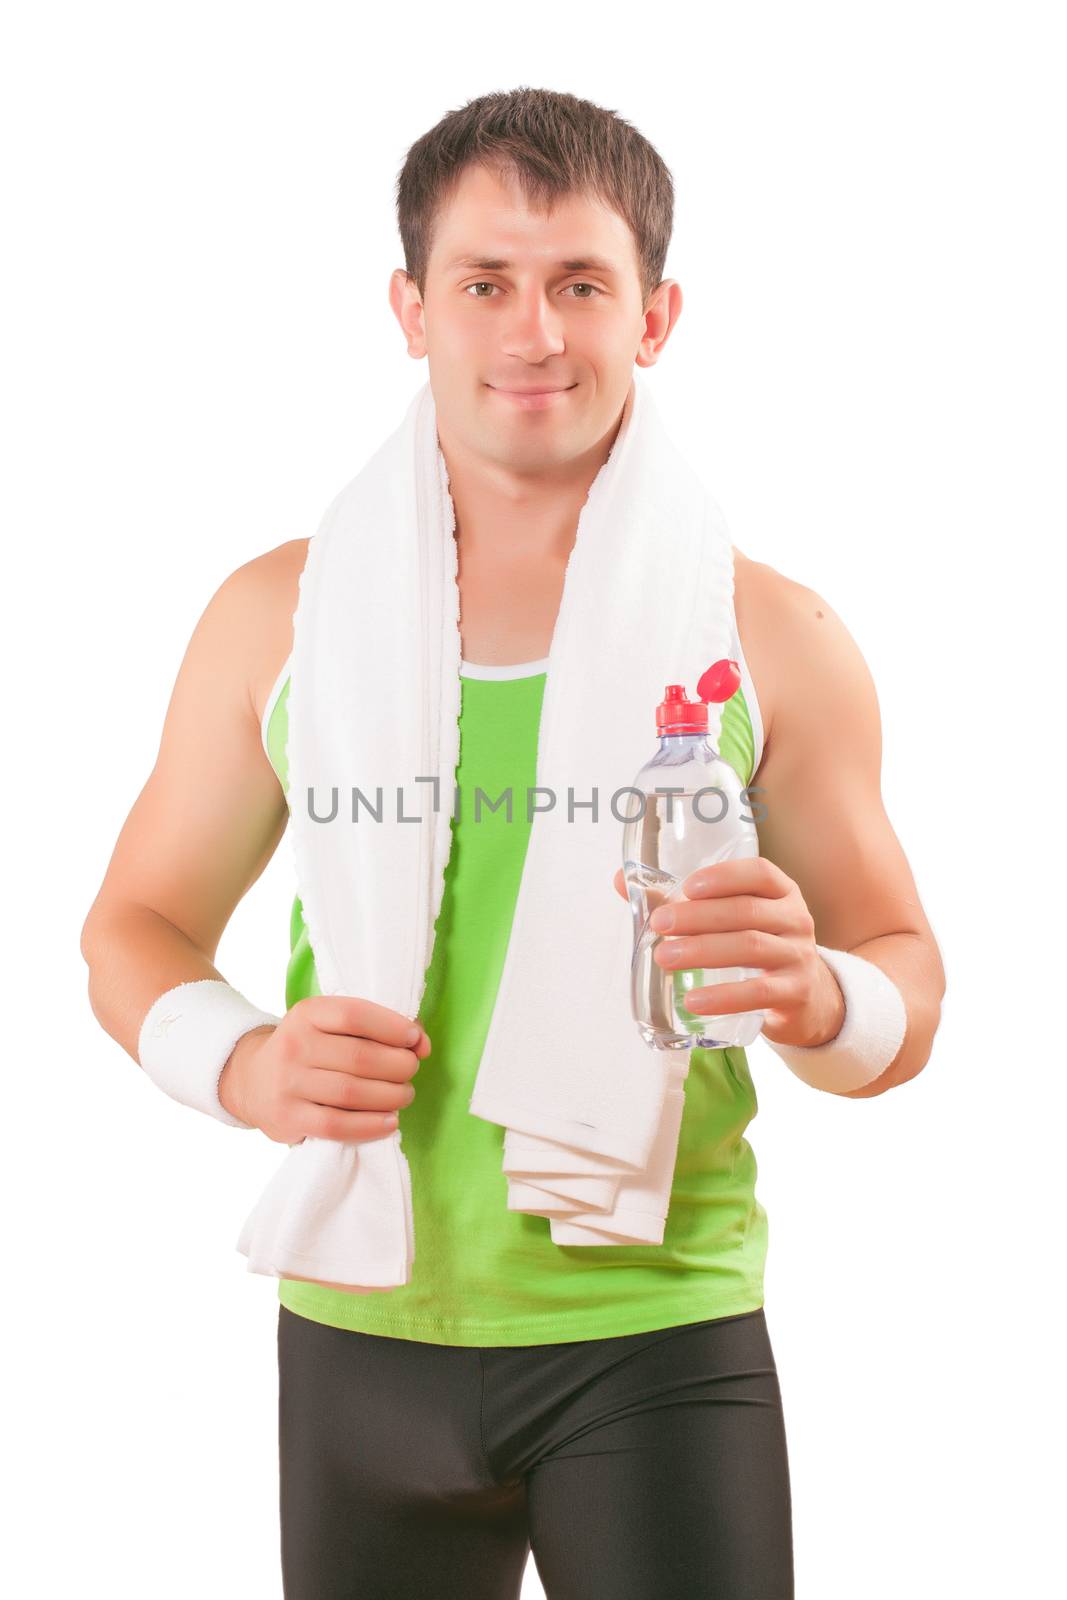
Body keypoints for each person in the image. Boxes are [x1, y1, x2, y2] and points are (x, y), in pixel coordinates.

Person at [80, 87, 946, 1600]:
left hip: (660, 1334)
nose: (533, 333)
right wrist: (238, 1062)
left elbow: (906, 985)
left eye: (580, 285)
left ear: (656, 315)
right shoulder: (273, 620)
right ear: (411, 309)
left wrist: (820, 999)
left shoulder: (776, 639)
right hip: (362, 1321)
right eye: (485, 283)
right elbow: (134, 924)